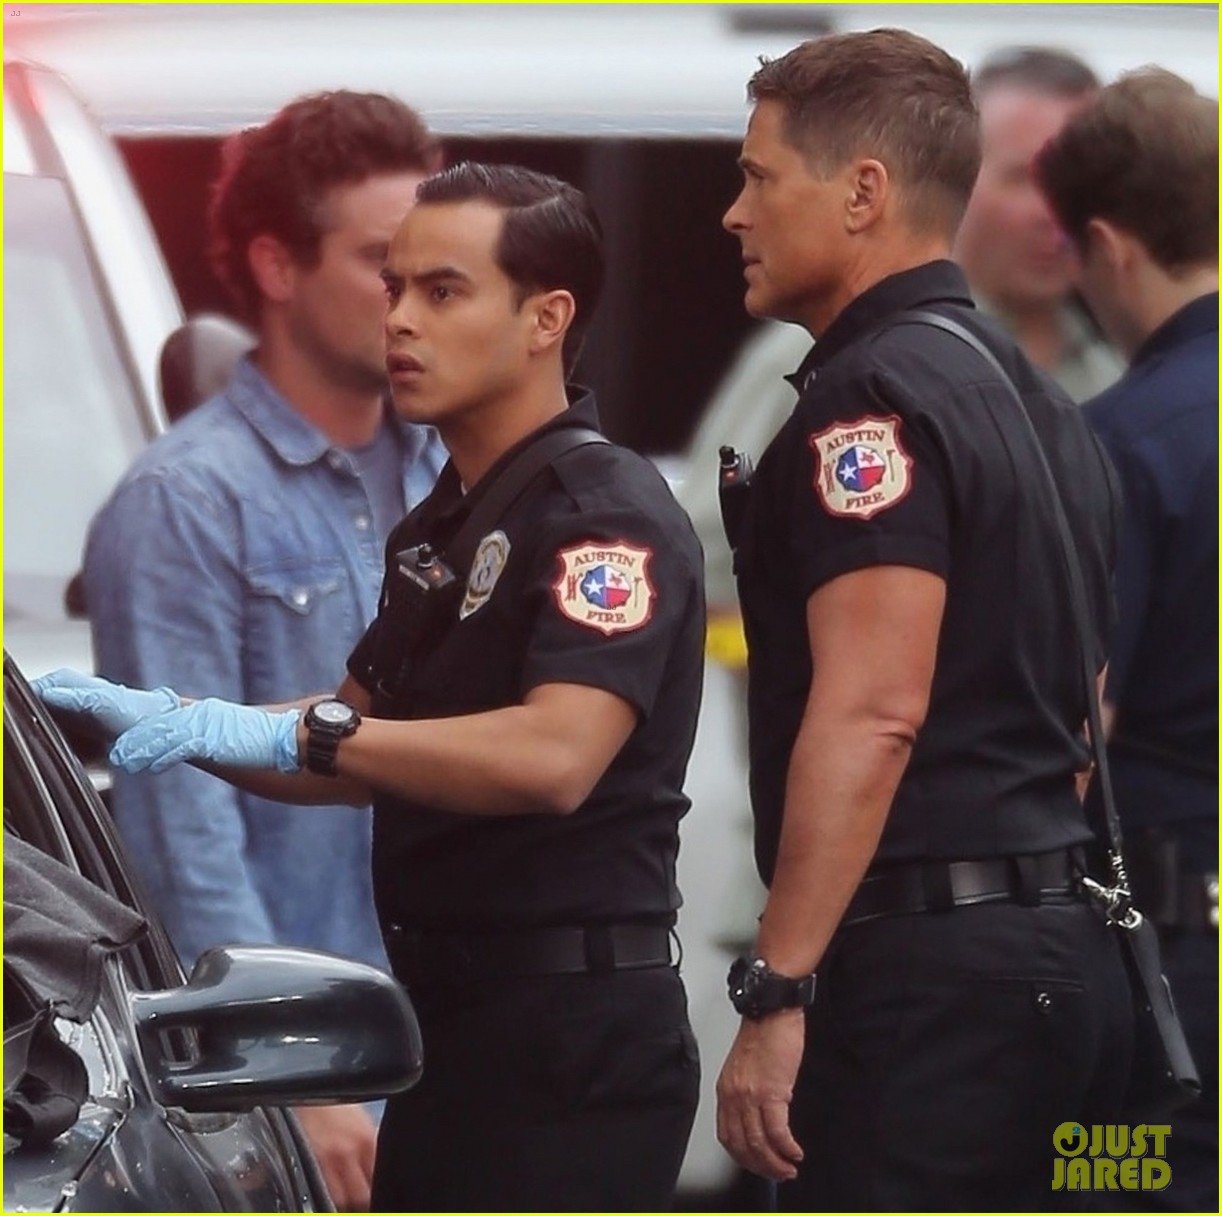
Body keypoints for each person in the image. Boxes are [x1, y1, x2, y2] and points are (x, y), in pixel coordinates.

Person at [40, 162, 704, 1212]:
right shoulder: (445, 518)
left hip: (569, 1035)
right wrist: (185, 722)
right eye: (393, 286)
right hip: (446, 1022)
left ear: (547, 318)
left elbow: (552, 757)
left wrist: (290, 736)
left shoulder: (600, 512)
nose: (399, 320)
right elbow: (351, 730)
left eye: (442, 291)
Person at [712, 30, 1132, 1209]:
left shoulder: (869, 397)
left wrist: (778, 989)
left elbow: (874, 709)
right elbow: (1086, 701)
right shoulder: (1042, 399)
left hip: (927, 988)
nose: (732, 214)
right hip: (1057, 954)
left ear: (863, 192)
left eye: (757, 176)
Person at [81, 90, 447, 1208]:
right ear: (277, 268)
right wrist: (293, 1071)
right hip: (313, 1081)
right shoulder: (185, 502)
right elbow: (179, 822)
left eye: (433, 271)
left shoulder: (455, 468)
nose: (411, 304)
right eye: (383, 266)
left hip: (461, 1043)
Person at [1036, 69, 1218, 1212]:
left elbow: (1075, 713)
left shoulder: (1114, 439)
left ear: (1104, 244)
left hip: (1169, 938)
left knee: (1115, 1183)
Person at [954, 46, 1124, 401]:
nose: (1054, 212)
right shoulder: (858, 356)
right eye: (1025, 178)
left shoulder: (1126, 369)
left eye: (1078, 181)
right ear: (956, 177)